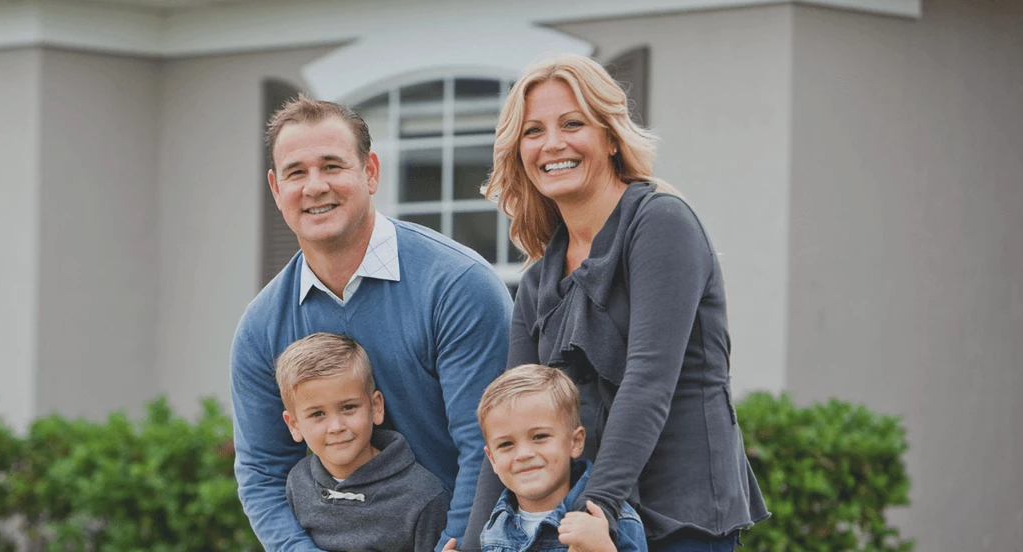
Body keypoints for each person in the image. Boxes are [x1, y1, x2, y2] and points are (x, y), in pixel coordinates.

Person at [461, 54, 769, 552]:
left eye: (572, 123)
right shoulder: (539, 277)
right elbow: (507, 414)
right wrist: (476, 542)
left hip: (677, 513)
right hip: (587, 520)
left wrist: (597, 510)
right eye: (533, 131)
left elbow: (648, 379)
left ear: (608, 136)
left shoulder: (660, 224)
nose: (553, 143)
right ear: (519, 152)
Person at [232, 94, 513, 551]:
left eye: (332, 165)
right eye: (296, 172)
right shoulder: (262, 327)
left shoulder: (458, 287)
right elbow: (263, 473)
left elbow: (486, 451)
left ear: (371, 171)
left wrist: (458, 545)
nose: (315, 186)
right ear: (275, 188)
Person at [276, 332, 450, 552]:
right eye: (317, 414)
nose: (336, 426)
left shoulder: (424, 496)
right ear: (294, 424)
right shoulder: (298, 482)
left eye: (348, 407)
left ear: (376, 407)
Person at [448, 364, 646, 552]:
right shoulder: (495, 526)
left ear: (575, 442)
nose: (524, 454)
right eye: (506, 444)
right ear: (492, 459)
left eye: (540, 437)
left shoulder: (609, 521)